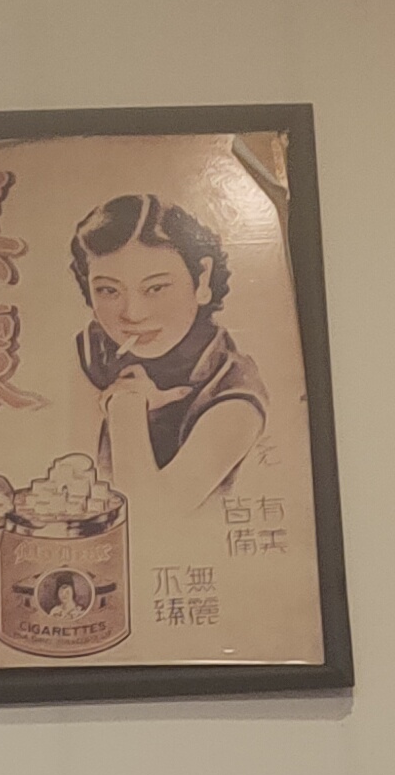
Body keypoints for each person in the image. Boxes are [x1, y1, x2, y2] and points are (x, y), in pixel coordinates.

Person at [68, 193, 270, 530]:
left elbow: (149, 521)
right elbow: (72, 475)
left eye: (156, 288)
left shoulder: (233, 388)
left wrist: (127, 404)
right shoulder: (96, 349)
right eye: (108, 290)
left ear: (201, 279)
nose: (132, 314)